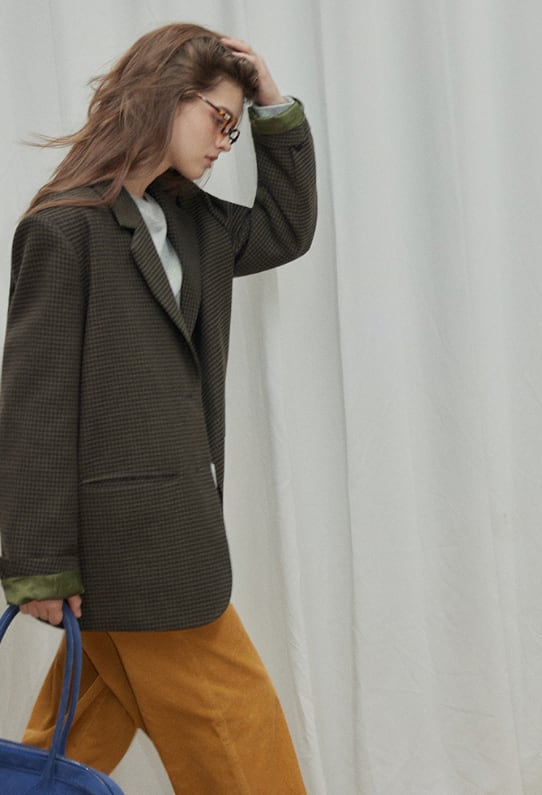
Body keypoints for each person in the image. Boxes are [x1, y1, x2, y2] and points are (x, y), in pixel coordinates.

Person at [0, 22, 316, 794]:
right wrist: (38, 564)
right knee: (237, 729)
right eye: (219, 119)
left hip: (170, 531)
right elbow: (34, 404)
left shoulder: (195, 224)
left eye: (235, 128)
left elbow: (285, 229)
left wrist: (271, 106)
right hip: (134, 547)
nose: (225, 142)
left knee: (72, 739)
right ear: (166, 97)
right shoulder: (63, 229)